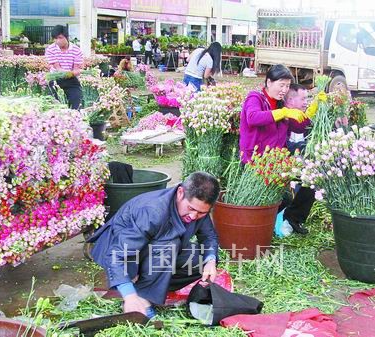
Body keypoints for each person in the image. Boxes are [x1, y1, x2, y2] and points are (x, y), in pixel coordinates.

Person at [88, 171, 220, 316]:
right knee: (169, 245)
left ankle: (146, 290)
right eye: (191, 209)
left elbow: (209, 237)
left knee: (202, 260)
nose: (194, 216)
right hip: (121, 251)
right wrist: (129, 295)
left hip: (156, 251)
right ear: (180, 192)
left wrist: (210, 261)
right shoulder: (153, 211)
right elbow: (117, 254)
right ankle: (138, 296)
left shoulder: (198, 209)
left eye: (201, 213)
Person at [239, 65, 318, 234]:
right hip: (256, 161)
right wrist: (283, 112)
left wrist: (313, 109)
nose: (284, 90)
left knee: (311, 177)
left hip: (278, 162)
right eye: (281, 85)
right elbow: (253, 118)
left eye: (287, 86)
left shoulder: (281, 105)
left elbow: (297, 127)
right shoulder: (256, 98)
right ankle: (264, 222)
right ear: (268, 82)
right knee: (280, 198)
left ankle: (293, 218)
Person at [282, 83, 317, 234]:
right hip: (272, 155)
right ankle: (287, 215)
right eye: (303, 99)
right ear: (290, 101)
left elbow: (303, 125)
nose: (306, 102)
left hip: (286, 152)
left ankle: (292, 218)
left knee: (313, 176)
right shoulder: (283, 113)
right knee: (309, 176)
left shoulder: (295, 115)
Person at [45, 25, 83, 110]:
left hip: (71, 80)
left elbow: (76, 69)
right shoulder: (51, 49)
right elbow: (57, 68)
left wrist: (72, 73)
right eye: (55, 38)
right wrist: (65, 73)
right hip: (56, 79)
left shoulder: (76, 50)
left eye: (60, 37)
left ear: (67, 37)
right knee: (54, 108)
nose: (57, 41)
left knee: (76, 106)